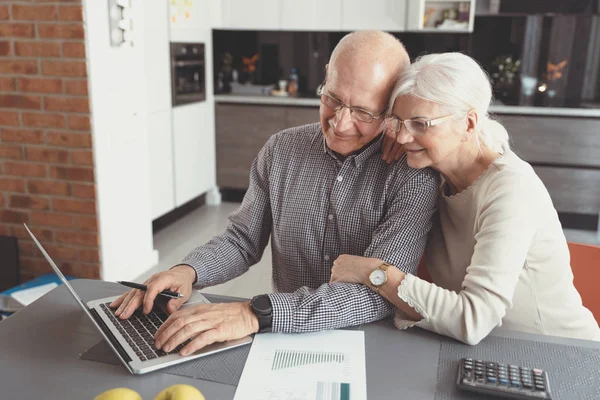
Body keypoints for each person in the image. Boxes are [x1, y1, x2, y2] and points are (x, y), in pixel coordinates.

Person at [110, 31, 439, 356]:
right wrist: (188, 271)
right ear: (326, 76)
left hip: (367, 342)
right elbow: (242, 240)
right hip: (281, 337)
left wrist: (257, 313)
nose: (340, 123)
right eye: (333, 99)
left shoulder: (412, 176)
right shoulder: (280, 149)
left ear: (392, 108)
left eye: (364, 113)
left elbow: (377, 293)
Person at [330, 52, 600, 345]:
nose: (404, 137)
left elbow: (473, 319)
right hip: (488, 353)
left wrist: (374, 272)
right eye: (398, 122)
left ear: (469, 124)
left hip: (556, 355)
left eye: (420, 124)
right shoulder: (433, 175)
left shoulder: (511, 189)